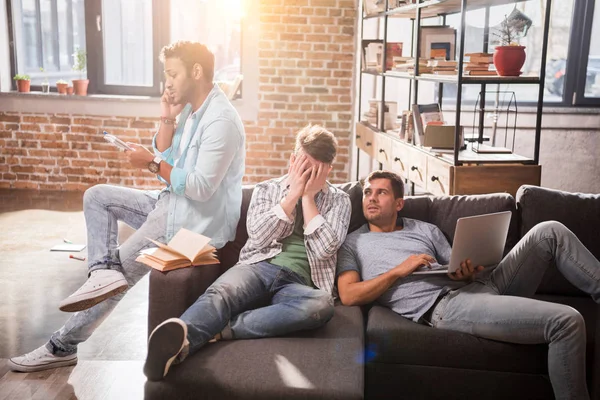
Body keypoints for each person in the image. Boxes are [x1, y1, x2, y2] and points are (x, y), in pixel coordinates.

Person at [8, 41, 246, 372]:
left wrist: (151, 165)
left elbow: (201, 188)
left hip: (192, 225)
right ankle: (102, 271)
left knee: (121, 272)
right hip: (170, 203)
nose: (168, 82)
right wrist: (167, 118)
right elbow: (169, 157)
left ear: (196, 71)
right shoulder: (193, 110)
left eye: (173, 74)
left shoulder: (221, 120)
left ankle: (61, 346)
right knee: (97, 196)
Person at [336, 170, 599, 400]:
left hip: (481, 286)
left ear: (399, 203)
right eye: (368, 192)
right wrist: (399, 270)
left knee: (549, 231)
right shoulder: (353, 243)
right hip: (447, 305)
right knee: (566, 321)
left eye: (381, 193)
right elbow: (348, 295)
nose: (371, 197)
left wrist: (466, 272)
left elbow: (455, 269)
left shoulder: (425, 229)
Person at [141, 125, 352, 381]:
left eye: (314, 169)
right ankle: (177, 345)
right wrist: (292, 195)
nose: (306, 173)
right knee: (221, 293)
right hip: (257, 267)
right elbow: (260, 235)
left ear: (328, 169)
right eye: (302, 164)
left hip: (299, 285)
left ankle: (224, 329)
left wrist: (308, 198)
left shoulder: (340, 200)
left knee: (321, 306)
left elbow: (324, 250)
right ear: (292, 160)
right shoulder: (266, 190)